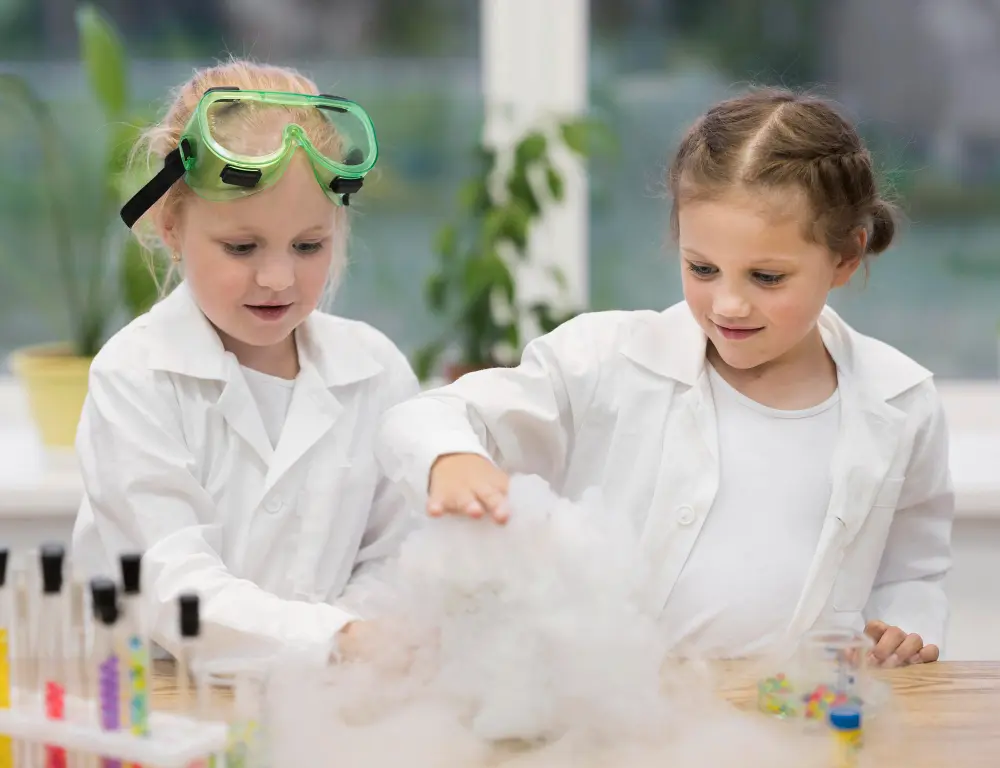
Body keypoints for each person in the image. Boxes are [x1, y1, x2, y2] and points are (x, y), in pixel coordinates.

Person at [376, 87, 953, 667]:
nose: (728, 304)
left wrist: (904, 628)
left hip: (797, 727)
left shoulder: (901, 402)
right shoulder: (601, 359)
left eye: (767, 277)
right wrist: (450, 458)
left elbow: (913, 570)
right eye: (702, 268)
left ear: (847, 258)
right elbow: (423, 416)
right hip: (624, 724)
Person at [72, 59, 419, 665]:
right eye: (241, 247)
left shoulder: (378, 373)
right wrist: (334, 640)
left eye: (309, 245)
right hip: (153, 705)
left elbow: (397, 557)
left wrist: (356, 637)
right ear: (171, 227)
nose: (278, 277)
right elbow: (174, 588)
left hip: (327, 706)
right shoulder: (134, 378)